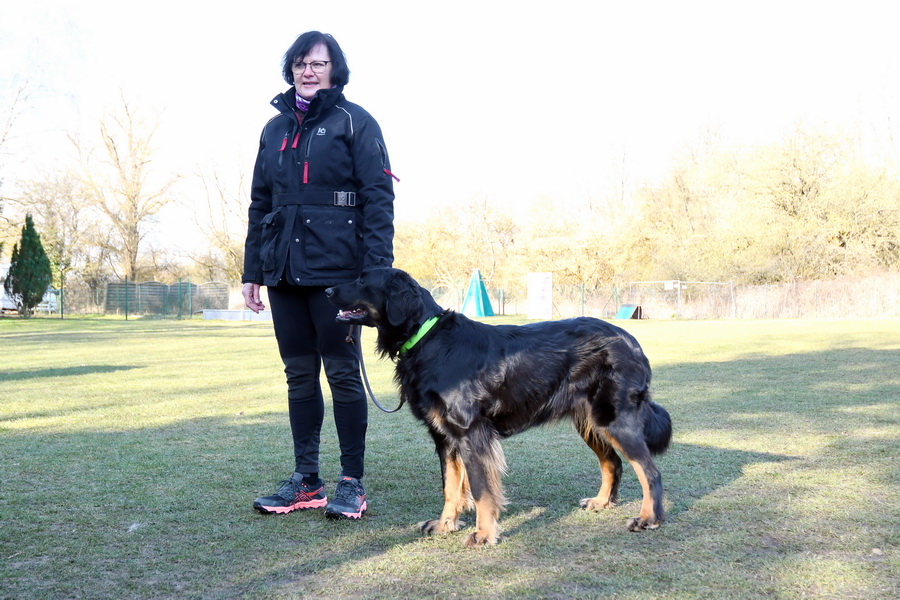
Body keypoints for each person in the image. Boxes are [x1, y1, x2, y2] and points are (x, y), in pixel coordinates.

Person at [241, 31, 396, 520]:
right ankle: (307, 481)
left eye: (319, 63)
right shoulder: (272, 129)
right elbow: (259, 203)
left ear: (335, 69)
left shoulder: (357, 123)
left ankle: (352, 483)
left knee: (344, 375)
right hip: (283, 270)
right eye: (302, 63)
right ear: (291, 68)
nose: (309, 71)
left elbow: (379, 201)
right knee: (299, 376)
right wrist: (253, 269)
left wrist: (377, 278)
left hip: (339, 276)